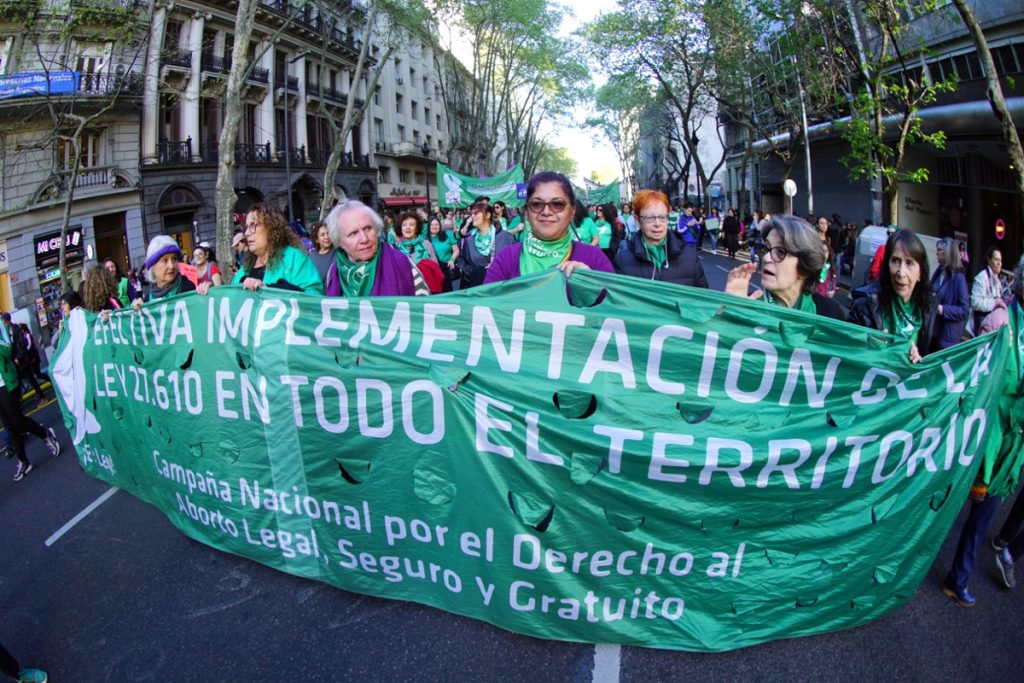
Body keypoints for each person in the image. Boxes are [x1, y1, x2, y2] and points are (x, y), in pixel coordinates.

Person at [484, 171, 614, 283]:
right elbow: (485, 308)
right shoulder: (505, 259)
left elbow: (614, 307)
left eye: (557, 204)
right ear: (527, 212)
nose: (546, 212)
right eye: (536, 204)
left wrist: (592, 287)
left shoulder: (594, 259)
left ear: (572, 212)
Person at [725, 215, 845, 320]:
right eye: (767, 248)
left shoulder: (830, 314)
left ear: (806, 266)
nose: (766, 258)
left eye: (780, 252)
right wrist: (729, 313)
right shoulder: (747, 304)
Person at [848, 228, 936, 363]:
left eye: (909, 263)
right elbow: (845, 355)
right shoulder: (864, 307)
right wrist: (869, 349)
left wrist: (919, 361)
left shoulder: (928, 307)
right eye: (895, 261)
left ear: (920, 273)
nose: (901, 272)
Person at [324, 200, 427, 297]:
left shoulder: (402, 262)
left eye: (368, 228)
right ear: (339, 242)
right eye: (353, 233)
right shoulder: (334, 272)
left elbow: (423, 307)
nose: (364, 239)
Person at [0, 318, 59, 481]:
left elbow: (8, 350)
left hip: (6, 382)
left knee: (17, 420)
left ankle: (45, 434)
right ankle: (23, 460)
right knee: (9, 425)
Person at [614, 189, 708, 288]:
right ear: (637, 220)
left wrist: (725, 300)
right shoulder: (623, 260)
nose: (658, 224)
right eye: (650, 218)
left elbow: (705, 298)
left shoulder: (689, 255)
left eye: (662, 217)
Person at [230, 203, 324, 294]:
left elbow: (314, 296)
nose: (247, 233)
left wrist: (269, 290)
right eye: (246, 227)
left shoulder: (294, 258)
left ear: (271, 227)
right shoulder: (245, 268)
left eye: (253, 225)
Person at [457, 201, 514, 288]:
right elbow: (462, 260)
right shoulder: (469, 239)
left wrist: (497, 266)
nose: (472, 216)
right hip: (476, 288)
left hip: (499, 288)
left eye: (476, 213)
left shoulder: (504, 236)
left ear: (487, 215)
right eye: (471, 213)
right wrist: (473, 271)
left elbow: (514, 261)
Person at [928, 237, 969, 352]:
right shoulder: (938, 271)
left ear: (947, 253)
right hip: (933, 333)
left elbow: (964, 310)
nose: (936, 253)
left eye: (939, 250)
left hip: (947, 339)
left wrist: (942, 309)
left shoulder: (959, 278)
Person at [133, 236, 197, 306]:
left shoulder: (188, 288)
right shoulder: (147, 294)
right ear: (153, 267)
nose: (171, 266)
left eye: (174, 259)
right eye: (164, 260)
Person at [970, 246, 1007, 335]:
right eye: (996, 259)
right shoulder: (981, 277)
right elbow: (975, 303)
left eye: (1000, 260)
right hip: (982, 326)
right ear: (989, 260)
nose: (999, 263)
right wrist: (994, 302)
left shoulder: (997, 279)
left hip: (993, 325)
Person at [427, 215, 460, 292]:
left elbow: (456, 250)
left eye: (437, 224)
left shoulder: (448, 235)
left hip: (446, 270)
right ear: (429, 227)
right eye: (432, 225)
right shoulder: (425, 239)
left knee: (447, 293)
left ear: (440, 225)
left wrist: (452, 259)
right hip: (432, 272)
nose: (434, 227)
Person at [307, 221, 335, 287]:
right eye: (322, 235)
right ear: (317, 239)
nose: (326, 237)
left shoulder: (339, 254)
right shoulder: (311, 257)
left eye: (328, 233)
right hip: (316, 295)